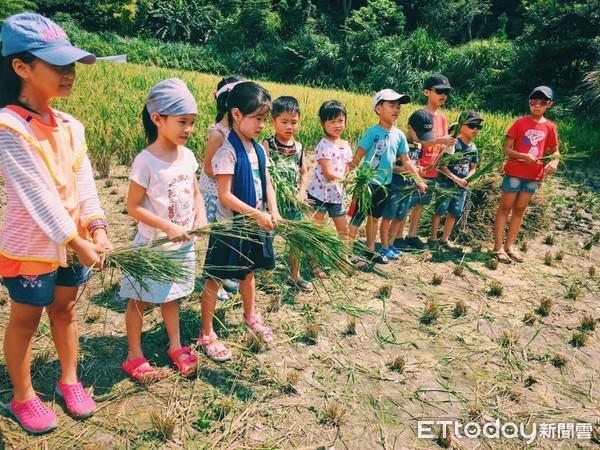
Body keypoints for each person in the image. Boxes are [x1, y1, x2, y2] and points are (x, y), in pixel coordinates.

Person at [0, 13, 113, 433]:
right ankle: (23, 396)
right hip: (31, 245)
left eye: (71, 65)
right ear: (22, 67)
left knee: (65, 310)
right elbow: (36, 196)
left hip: (76, 242)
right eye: (57, 65)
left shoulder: (71, 126)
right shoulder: (9, 125)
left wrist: (97, 227)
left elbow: (83, 183)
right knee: (26, 319)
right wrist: (75, 240)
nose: (69, 74)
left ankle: (70, 380)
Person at [120, 78, 206, 380]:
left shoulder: (188, 156)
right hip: (152, 247)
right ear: (158, 119)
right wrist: (167, 226)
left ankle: (175, 345)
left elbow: (195, 193)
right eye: (182, 122)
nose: (188, 129)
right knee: (140, 300)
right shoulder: (146, 161)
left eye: (192, 123)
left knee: (172, 296)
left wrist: (201, 216)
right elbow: (133, 206)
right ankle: (134, 354)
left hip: (180, 245)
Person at [199, 81, 280, 361]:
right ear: (236, 114)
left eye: (265, 119)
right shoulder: (227, 151)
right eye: (256, 118)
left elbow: (268, 183)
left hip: (253, 228)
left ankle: (250, 315)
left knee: (249, 273)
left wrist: (274, 209)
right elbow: (224, 196)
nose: (262, 125)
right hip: (230, 229)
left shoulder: (258, 149)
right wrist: (257, 213)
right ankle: (207, 332)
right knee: (214, 278)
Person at [348, 89, 425, 263]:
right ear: (378, 109)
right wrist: (345, 176)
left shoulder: (399, 136)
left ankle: (370, 249)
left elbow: (406, 161)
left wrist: (418, 180)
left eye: (398, 106)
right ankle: (348, 253)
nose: (396, 109)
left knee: (374, 219)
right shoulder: (372, 132)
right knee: (357, 218)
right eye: (391, 105)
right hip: (366, 183)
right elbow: (357, 158)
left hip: (384, 185)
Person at [491, 86, 559, 263]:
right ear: (529, 102)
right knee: (505, 208)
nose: (537, 105)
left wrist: (554, 161)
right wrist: (523, 156)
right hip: (514, 173)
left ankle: (510, 246)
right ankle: (498, 247)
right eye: (533, 101)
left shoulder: (550, 127)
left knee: (519, 210)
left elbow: (555, 150)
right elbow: (506, 149)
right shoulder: (519, 123)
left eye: (542, 102)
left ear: (549, 105)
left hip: (534, 175)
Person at [307, 100, 365, 275]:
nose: (337, 125)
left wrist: (352, 177)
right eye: (332, 122)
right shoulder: (323, 145)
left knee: (344, 230)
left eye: (340, 120)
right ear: (322, 124)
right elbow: (328, 173)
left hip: (336, 196)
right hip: (319, 195)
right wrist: (345, 180)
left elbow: (347, 167)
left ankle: (343, 259)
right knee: (316, 231)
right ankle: (313, 262)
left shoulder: (345, 145)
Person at [198, 76, 243, 301]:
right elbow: (207, 168)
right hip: (215, 193)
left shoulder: (237, 133)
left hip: (228, 192)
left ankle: (223, 276)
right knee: (219, 238)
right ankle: (212, 278)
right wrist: (230, 175)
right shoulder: (218, 132)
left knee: (228, 236)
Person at [262, 96, 313, 292]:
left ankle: (295, 274)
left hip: (294, 203)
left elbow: (304, 172)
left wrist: (301, 192)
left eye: (294, 122)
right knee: (269, 238)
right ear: (273, 122)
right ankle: (268, 277)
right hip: (273, 202)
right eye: (284, 122)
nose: (289, 126)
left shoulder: (299, 147)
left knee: (296, 240)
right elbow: (264, 172)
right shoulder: (268, 144)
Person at [404, 74, 457, 250]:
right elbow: (415, 140)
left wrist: (447, 147)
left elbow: (441, 142)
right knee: (407, 202)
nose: (443, 95)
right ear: (427, 92)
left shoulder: (442, 118)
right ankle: (397, 236)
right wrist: (439, 140)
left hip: (433, 168)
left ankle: (411, 235)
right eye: (439, 91)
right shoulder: (420, 115)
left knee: (420, 204)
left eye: (446, 92)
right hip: (417, 166)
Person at [429, 111, 482, 247]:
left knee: (454, 212)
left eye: (478, 126)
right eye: (472, 125)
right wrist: (456, 178)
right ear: (461, 126)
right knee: (440, 211)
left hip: (461, 187)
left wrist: (467, 179)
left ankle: (444, 239)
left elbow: (473, 167)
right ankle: (433, 238)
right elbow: (443, 166)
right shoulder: (453, 145)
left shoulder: (474, 148)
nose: (475, 129)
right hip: (447, 183)